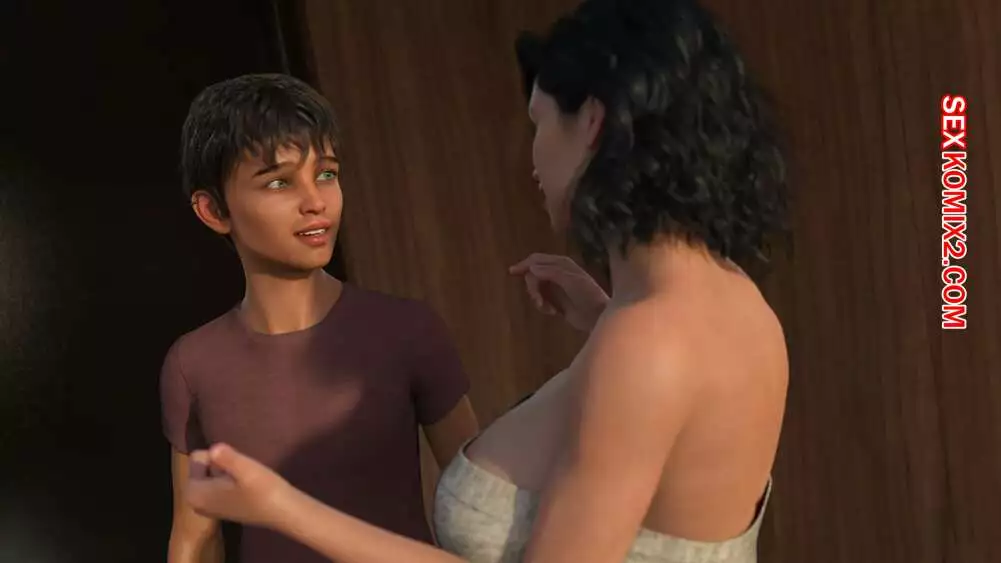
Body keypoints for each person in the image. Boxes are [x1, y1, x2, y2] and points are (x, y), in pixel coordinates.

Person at [180, 0, 790, 561]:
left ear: (592, 124)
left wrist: (282, 507)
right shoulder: (723, 298)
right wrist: (605, 318)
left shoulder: (647, 345)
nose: (533, 159)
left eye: (539, 124)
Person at [160, 73, 480, 563]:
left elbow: (478, 511)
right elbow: (194, 537)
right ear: (213, 210)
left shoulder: (407, 332)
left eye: (326, 174)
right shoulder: (194, 365)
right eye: (279, 182)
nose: (315, 202)